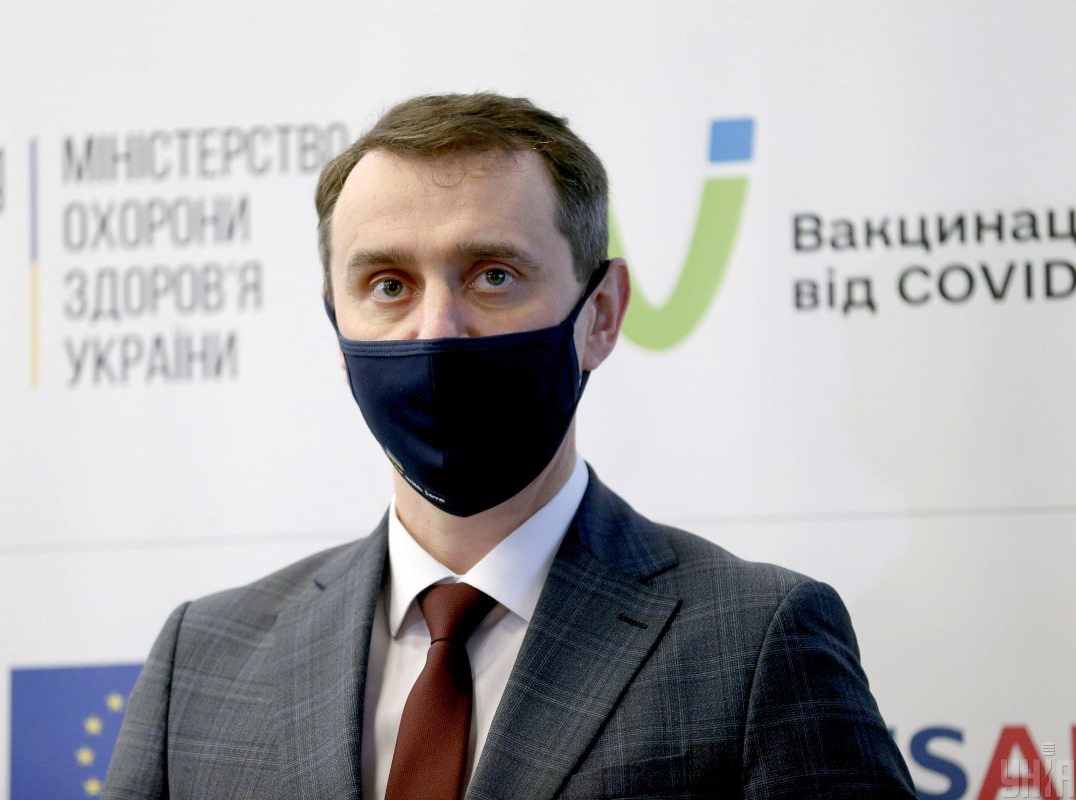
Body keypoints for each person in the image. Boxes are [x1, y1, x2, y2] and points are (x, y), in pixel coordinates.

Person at [103, 93, 917, 800]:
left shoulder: (755, 642)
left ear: (601, 316)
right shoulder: (200, 661)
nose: (437, 330)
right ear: (337, 327)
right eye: (388, 285)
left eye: (493, 275)